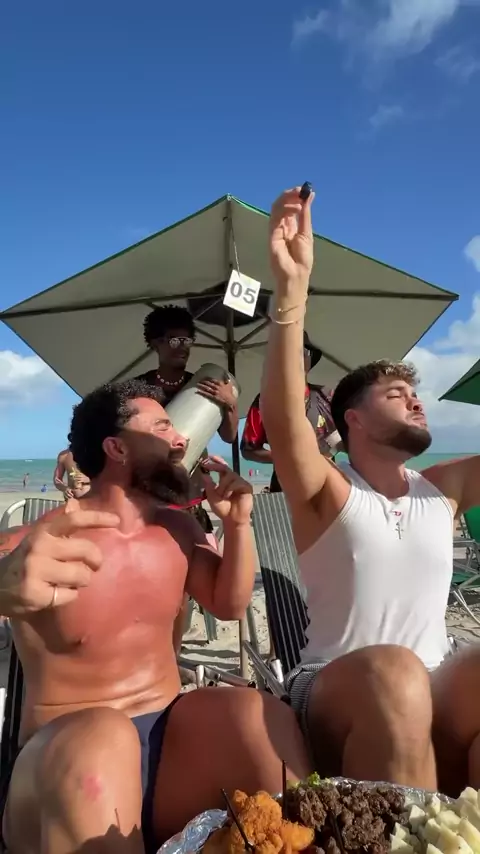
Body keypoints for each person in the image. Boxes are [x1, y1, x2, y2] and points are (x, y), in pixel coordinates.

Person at [0, 378, 310, 854]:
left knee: (257, 713)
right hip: (67, 759)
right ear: (117, 447)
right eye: (163, 427)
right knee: (102, 737)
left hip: (169, 749)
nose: (182, 438)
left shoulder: (179, 529)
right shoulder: (38, 543)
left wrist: (238, 523)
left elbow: (228, 604)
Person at [262, 185, 480, 797]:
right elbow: (283, 417)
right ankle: (410, 832)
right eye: (395, 394)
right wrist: (291, 292)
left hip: (435, 678)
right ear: (351, 419)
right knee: (395, 672)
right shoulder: (328, 491)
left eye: (416, 394)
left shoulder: (444, 488)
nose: (415, 400)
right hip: (339, 685)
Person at [137, 304, 240, 652]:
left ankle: (171, 653)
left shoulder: (205, 386)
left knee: (182, 586)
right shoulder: (139, 390)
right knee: (149, 581)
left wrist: (230, 403)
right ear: (155, 343)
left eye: (187, 340)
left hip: (190, 499)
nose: (182, 347)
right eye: (173, 340)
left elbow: (229, 435)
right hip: (147, 499)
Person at [241, 333, 338, 492]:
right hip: (284, 488)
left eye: (303, 352)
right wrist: (287, 458)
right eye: (289, 353)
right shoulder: (265, 400)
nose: (296, 359)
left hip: (328, 486)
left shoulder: (327, 396)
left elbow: (351, 437)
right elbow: (248, 450)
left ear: (310, 359)